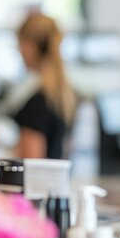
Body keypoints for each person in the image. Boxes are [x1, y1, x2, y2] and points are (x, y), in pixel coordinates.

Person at [11, 12, 76, 159]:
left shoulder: (38, 103)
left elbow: (32, 165)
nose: (18, 50)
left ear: (31, 46)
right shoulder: (62, 96)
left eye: (20, 43)